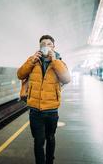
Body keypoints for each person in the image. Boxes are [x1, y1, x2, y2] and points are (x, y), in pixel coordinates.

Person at [17, 35, 70, 164]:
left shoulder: (60, 62)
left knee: (50, 137)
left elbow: (66, 79)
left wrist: (54, 61)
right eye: (43, 44)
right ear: (40, 47)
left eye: (49, 44)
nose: (46, 46)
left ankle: (49, 161)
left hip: (51, 110)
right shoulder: (33, 61)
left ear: (53, 47)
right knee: (38, 140)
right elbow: (20, 74)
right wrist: (31, 61)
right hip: (35, 110)